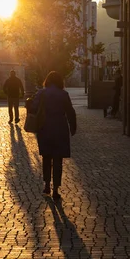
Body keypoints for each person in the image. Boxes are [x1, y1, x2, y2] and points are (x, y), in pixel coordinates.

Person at [29, 71, 77, 200]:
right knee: (58, 160)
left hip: (45, 128)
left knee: (46, 157)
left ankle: (46, 185)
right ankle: (56, 188)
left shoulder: (41, 93)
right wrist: (73, 127)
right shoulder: (63, 94)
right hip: (60, 128)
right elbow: (70, 111)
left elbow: (33, 108)